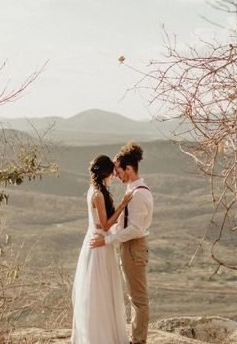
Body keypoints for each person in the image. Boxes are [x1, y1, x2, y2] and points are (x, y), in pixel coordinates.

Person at [90, 142, 154, 344]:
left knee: (139, 300)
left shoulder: (139, 194)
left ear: (128, 168)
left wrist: (108, 239)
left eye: (118, 170)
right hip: (129, 247)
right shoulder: (132, 191)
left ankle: (138, 340)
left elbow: (135, 229)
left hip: (134, 247)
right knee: (134, 298)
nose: (116, 174)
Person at [70, 155, 134, 344]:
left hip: (99, 241)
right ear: (105, 172)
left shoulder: (96, 190)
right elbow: (105, 224)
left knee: (102, 289)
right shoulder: (97, 195)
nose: (114, 175)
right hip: (99, 244)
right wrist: (123, 205)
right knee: (100, 290)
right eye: (112, 172)